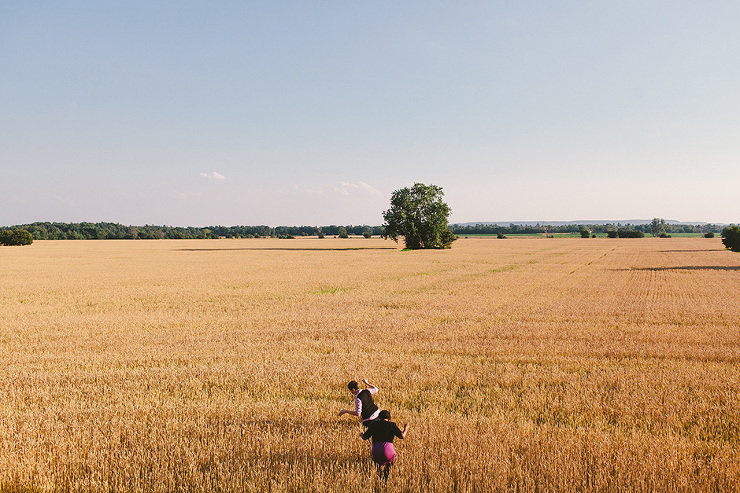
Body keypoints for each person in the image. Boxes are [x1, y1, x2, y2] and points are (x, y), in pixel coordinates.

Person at [360, 410, 409, 481]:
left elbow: (365, 437)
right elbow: (402, 436)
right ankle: (386, 475)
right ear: (389, 418)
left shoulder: (374, 424)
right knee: (390, 464)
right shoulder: (392, 425)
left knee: (377, 464)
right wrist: (406, 428)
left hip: (376, 450)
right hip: (388, 450)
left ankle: (379, 476)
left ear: (379, 417)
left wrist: (361, 434)